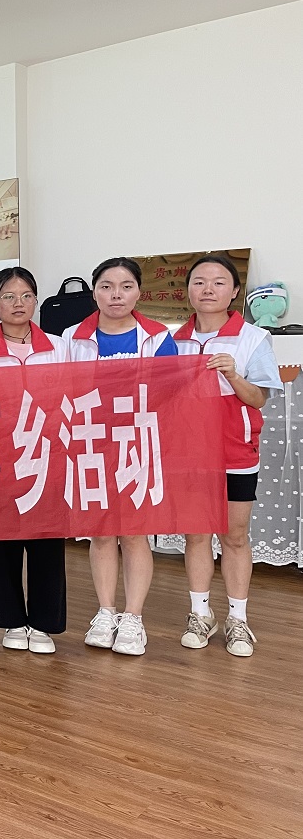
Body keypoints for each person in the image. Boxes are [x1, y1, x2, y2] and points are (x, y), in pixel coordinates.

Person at [63, 256, 178, 656]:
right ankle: (105, 612)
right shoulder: (71, 338)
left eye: (126, 286)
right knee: (101, 532)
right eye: (107, 287)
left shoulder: (158, 338)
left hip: (138, 443)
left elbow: (171, 393)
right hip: (91, 444)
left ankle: (133, 618)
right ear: (94, 292)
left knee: (133, 533)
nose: (116, 295)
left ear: (138, 292)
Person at [174, 255, 281, 656]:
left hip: (236, 451)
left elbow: (259, 399)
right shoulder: (172, 340)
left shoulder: (253, 338)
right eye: (199, 281)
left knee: (234, 536)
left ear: (235, 291)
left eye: (219, 282)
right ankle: (200, 614)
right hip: (188, 453)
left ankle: (238, 619)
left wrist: (233, 375)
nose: (208, 289)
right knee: (196, 534)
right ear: (188, 290)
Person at [0, 268, 72, 653]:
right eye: (8, 297)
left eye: (26, 296)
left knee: (46, 543)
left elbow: (72, 395)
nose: (18, 304)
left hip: (48, 455)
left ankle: (43, 623)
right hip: (0, 458)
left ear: (36, 300)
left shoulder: (60, 347)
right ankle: (11, 620)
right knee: (2, 542)